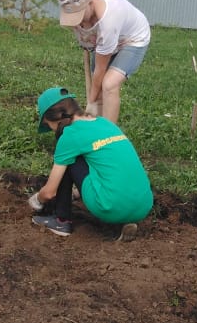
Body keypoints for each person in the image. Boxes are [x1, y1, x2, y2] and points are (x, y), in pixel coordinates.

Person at [29, 86, 153, 239]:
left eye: (49, 125)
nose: (52, 130)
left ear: (57, 118)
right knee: (99, 160)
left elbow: (49, 193)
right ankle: (124, 218)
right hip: (144, 205)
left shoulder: (70, 135)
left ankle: (61, 221)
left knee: (69, 160)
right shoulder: (105, 124)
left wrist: (36, 200)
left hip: (109, 206)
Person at [57, 0, 151, 125]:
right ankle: (96, 128)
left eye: (80, 18)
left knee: (108, 84)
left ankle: (109, 135)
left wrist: (90, 102)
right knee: (98, 86)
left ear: (90, 4)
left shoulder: (109, 19)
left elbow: (100, 70)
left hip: (132, 39)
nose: (78, 23)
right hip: (106, 38)